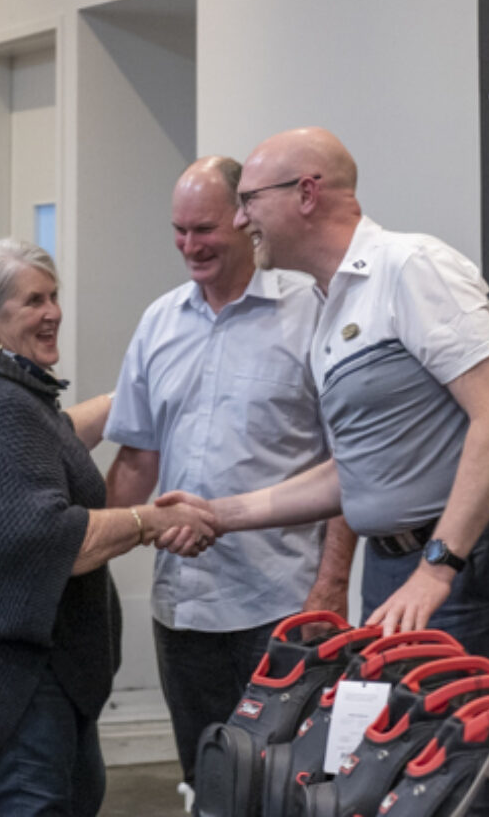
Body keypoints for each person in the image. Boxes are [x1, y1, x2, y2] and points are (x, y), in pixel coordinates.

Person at [161, 128, 489, 670]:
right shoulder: (332, 301)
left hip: (462, 563)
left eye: (249, 200)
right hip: (397, 562)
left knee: (460, 727)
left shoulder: (411, 266)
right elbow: (357, 469)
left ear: (306, 193)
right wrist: (218, 514)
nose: (242, 220)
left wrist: (437, 568)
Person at [0, 238, 216, 817]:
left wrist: (135, 393)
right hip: (9, 667)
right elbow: (53, 540)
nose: (53, 313)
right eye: (33, 301)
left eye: (54, 296)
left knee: (72, 795)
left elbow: (55, 435)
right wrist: (154, 519)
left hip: (25, 652)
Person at [104, 156, 357, 795]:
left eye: (204, 229)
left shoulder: (312, 312)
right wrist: (85, 547)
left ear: (245, 219)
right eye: (179, 231)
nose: (190, 246)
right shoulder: (160, 322)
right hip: (183, 608)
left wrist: (331, 587)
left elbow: (352, 464)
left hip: (282, 606)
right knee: (207, 784)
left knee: (290, 790)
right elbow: (136, 459)